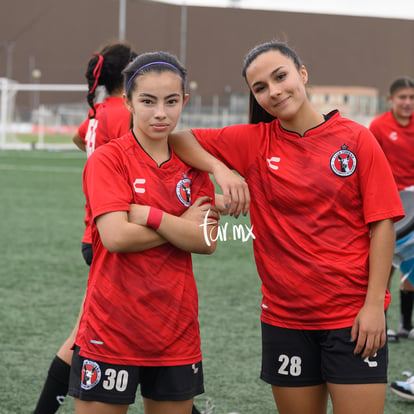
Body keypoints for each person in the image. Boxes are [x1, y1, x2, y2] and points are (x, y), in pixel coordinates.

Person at [169, 40, 404, 414]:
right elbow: (177, 139)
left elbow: (383, 225)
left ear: (303, 74)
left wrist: (375, 305)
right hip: (285, 320)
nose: (274, 91)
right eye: (260, 87)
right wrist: (221, 169)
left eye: (281, 77)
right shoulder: (254, 143)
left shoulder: (356, 139)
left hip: (352, 319)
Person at [67, 51, 219, 414]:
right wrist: (181, 221)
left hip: (176, 330)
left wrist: (150, 214)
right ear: (128, 101)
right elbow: (117, 237)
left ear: (184, 101)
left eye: (170, 101)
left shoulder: (192, 166)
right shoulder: (108, 159)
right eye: (148, 101)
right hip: (111, 327)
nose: (160, 113)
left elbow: (207, 240)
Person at [33, 42, 138, 414]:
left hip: (95, 231)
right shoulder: (123, 113)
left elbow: (81, 138)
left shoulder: (99, 112)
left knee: (142, 332)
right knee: (86, 337)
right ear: (128, 75)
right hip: (111, 234)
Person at [369, 77, 414, 340]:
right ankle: (382, 325)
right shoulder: (379, 126)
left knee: (411, 264)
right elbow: (370, 163)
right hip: (390, 205)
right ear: (391, 100)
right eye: (402, 97)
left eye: (412, 98)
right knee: (385, 266)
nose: (408, 103)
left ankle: (406, 326)